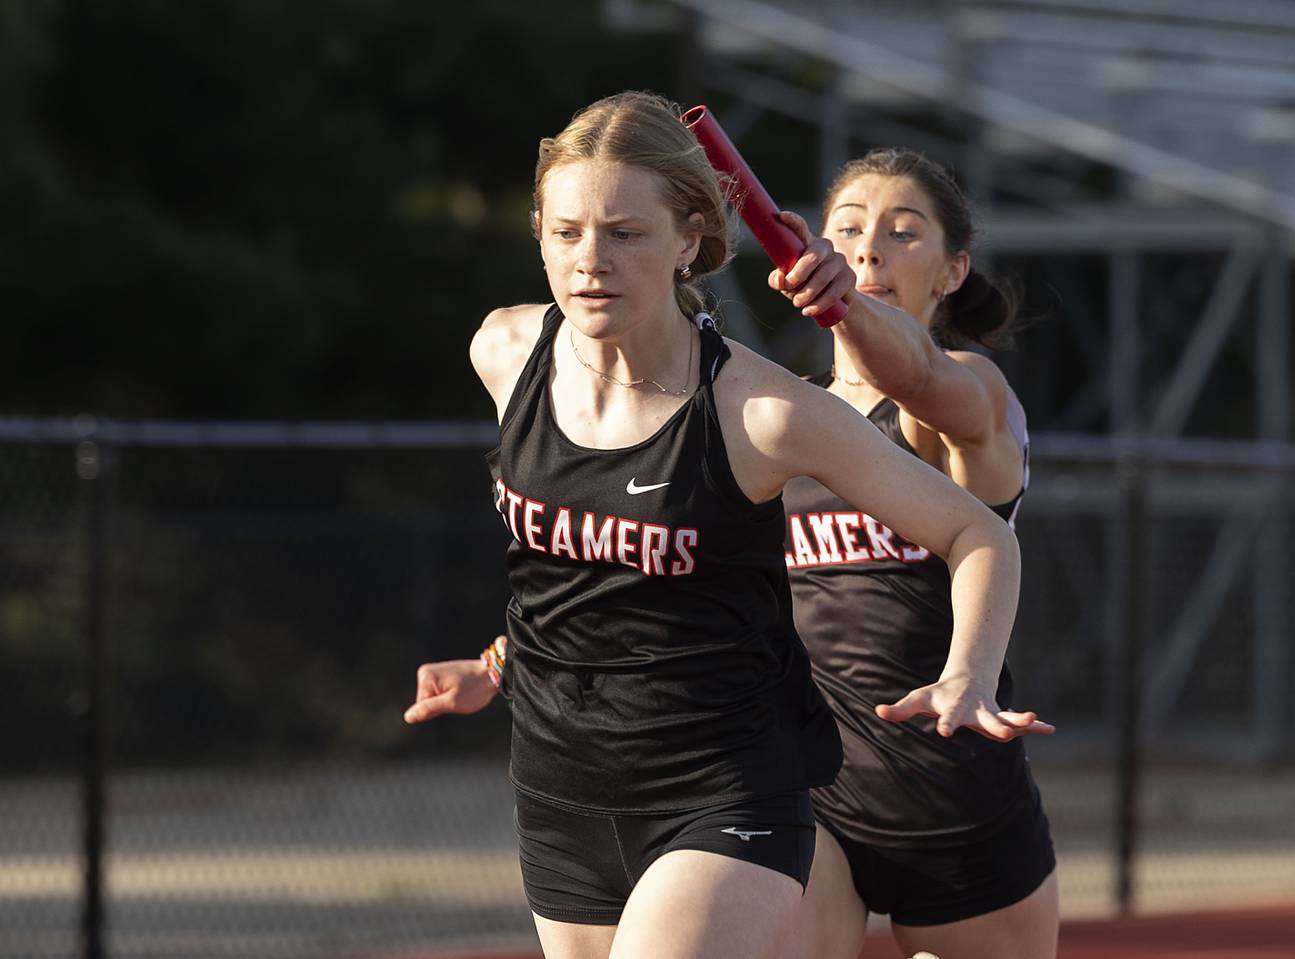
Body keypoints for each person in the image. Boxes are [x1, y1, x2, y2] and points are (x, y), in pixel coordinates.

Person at [403, 92, 1048, 959]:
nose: (591, 259)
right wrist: (497, 660)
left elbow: (933, 400)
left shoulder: (826, 410)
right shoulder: (510, 355)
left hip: (917, 784)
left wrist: (969, 675)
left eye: (626, 232)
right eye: (566, 232)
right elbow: (637, 575)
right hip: (694, 783)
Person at [774, 148, 1059, 959]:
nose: (868, 251)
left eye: (902, 234)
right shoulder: (778, 417)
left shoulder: (968, 392)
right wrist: (508, 657)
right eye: (849, 230)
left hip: (955, 801)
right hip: (815, 794)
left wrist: (853, 314)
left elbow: (922, 375)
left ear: (952, 270)